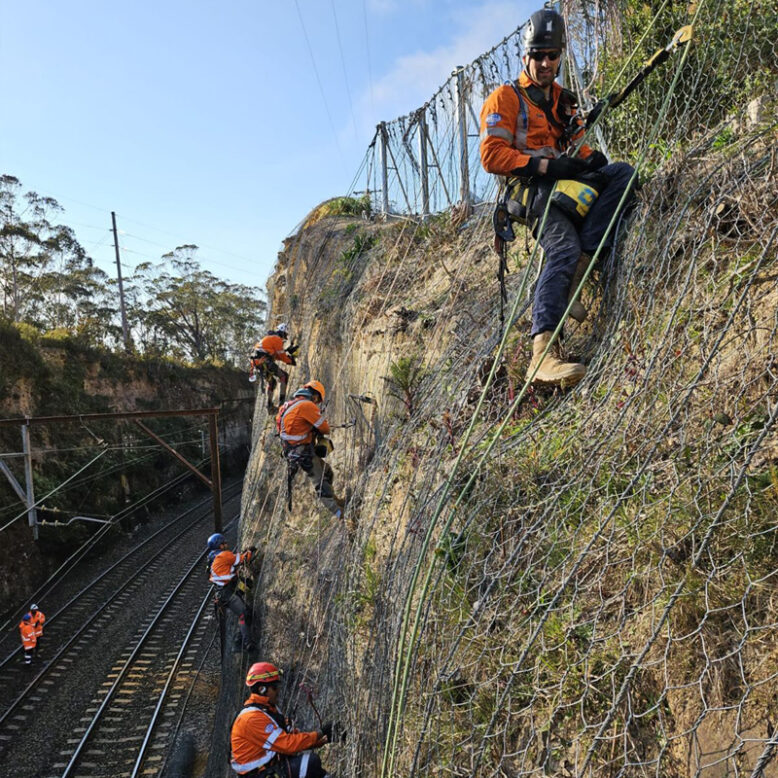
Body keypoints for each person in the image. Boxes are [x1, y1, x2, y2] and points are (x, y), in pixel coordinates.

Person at [480, 7, 636, 388]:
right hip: (530, 191)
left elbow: (578, 151)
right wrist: (546, 167)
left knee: (621, 174)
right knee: (561, 245)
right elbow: (491, 156)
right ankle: (542, 355)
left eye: (552, 55)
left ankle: (574, 280)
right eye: (538, 55)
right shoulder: (506, 98)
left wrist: (588, 161)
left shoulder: (564, 102)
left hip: (562, 184)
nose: (545, 62)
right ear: (525, 57)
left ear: (560, 56)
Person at [231, 662, 333, 778]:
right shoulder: (251, 719)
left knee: (312, 767)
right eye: (274, 687)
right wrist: (320, 733)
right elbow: (288, 744)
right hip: (258, 774)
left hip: (268, 769)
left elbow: (291, 739)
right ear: (262, 689)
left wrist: (322, 740)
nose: (278, 691)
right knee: (310, 763)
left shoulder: (268, 710)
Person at [276, 381, 345, 518]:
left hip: (294, 451)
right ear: (315, 396)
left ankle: (337, 502)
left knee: (328, 472)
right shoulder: (307, 405)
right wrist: (315, 426)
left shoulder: (287, 406)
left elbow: (286, 427)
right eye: (318, 401)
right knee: (320, 484)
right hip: (303, 452)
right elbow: (325, 428)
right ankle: (340, 515)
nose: (317, 404)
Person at [207, 533, 256, 651]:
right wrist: (249, 551)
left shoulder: (212, 557)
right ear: (220, 545)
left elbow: (230, 569)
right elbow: (243, 559)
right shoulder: (223, 555)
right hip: (226, 593)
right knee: (244, 613)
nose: (227, 545)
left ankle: (239, 641)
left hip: (223, 592)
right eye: (224, 543)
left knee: (247, 588)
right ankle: (245, 643)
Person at [249, 323, 299, 413]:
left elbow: (276, 356)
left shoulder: (269, 338)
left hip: (258, 364)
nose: (285, 338)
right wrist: (291, 361)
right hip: (264, 361)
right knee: (284, 376)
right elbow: (281, 355)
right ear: (283, 332)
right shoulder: (276, 339)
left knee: (272, 382)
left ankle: (269, 407)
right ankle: (281, 404)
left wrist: (287, 355)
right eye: (285, 335)